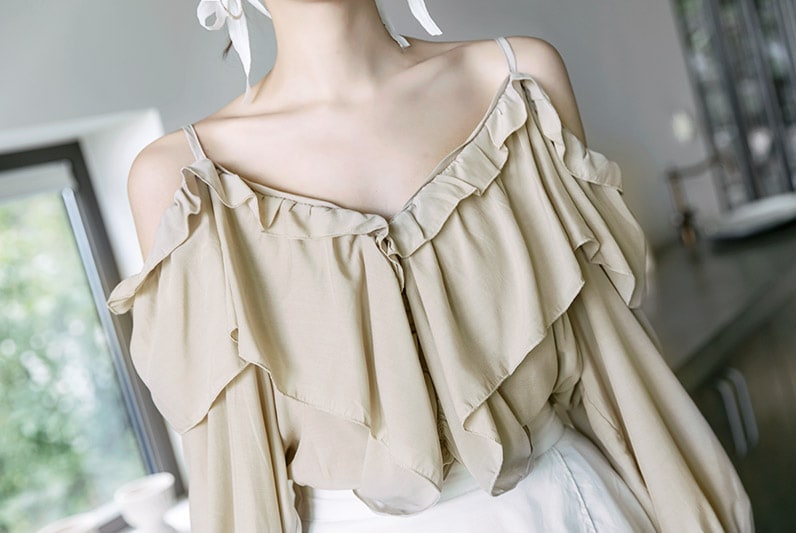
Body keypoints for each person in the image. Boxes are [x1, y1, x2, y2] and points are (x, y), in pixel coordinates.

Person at [105, 0, 753, 531]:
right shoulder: (181, 183)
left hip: (566, 509)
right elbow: (237, 482)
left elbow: (614, 361)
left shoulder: (517, 80)